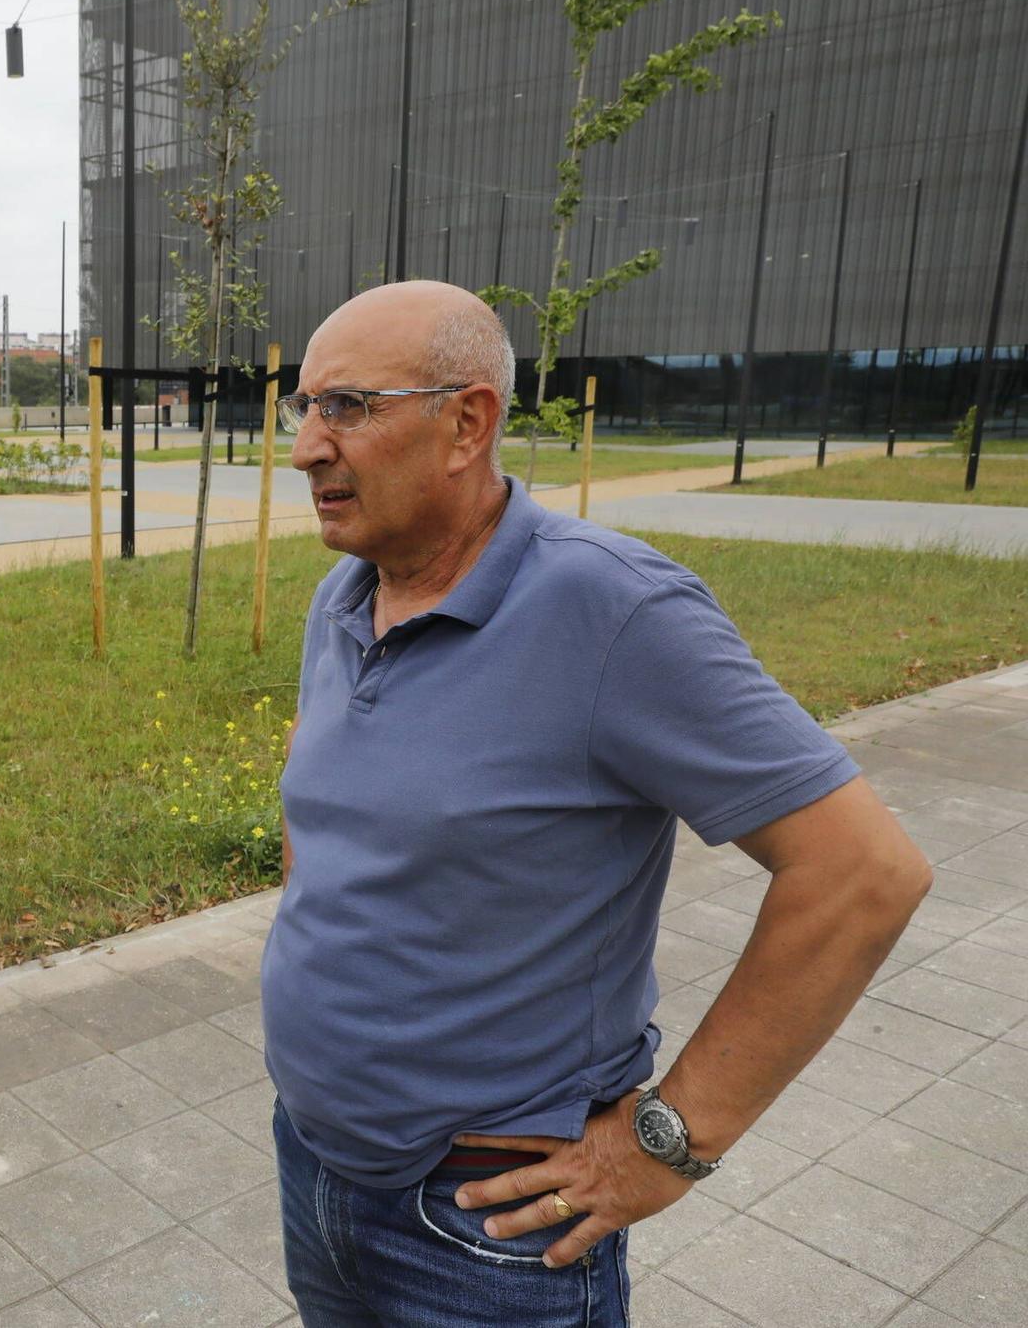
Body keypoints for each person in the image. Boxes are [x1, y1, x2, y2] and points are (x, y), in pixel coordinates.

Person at [264, 280, 930, 1325]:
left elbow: (862, 873)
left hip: (483, 1224)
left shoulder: (612, 608)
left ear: (465, 423)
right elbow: (330, 818)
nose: (304, 445)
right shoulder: (344, 593)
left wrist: (671, 1140)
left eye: (345, 406)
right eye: (299, 406)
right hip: (313, 1165)